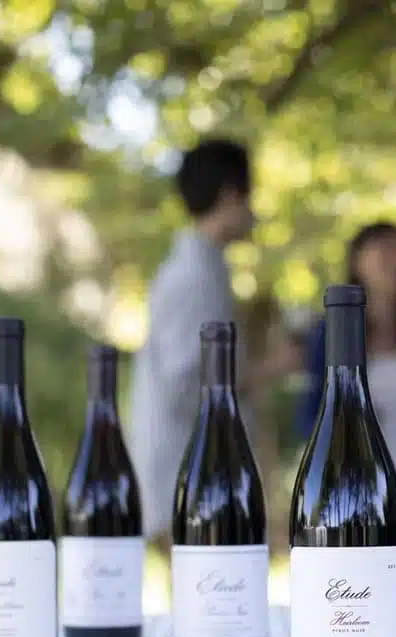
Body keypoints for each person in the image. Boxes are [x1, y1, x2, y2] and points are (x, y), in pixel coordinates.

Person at [295, 222, 396, 605]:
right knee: (353, 595)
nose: (391, 262)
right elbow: (313, 411)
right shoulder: (329, 331)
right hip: (351, 486)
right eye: (380, 252)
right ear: (357, 262)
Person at [128, 138, 257, 550]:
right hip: (188, 474)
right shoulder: (193, 278)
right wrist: (275, 366)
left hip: (195, 473)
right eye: (250, 196)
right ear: (230, 194)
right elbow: (187, 383)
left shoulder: (205, 270)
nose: (254, 211)